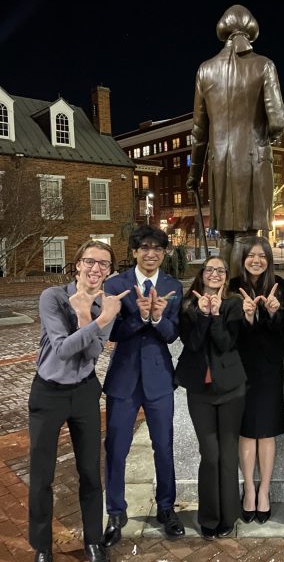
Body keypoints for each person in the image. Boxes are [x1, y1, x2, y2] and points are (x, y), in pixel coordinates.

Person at [28, 240, 129, 562]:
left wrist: (90, 315)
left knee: (89, 471)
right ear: (77, 264)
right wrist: (94, 320)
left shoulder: (108, 305)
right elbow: (61, 348)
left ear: (110, 271)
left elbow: (93, 353)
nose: (96, 269)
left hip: (84, 390)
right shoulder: (53, 297)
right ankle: (42, 547)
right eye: (90, 261)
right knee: (42, 474)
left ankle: (93, 541)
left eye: (103, 264)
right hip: (48, 390)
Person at [186, 4, 284, 277]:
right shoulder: (264, 66)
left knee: (226, 236)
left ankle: (224, 293)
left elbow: (199, 131)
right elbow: (278, 119)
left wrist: (194, 174)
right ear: (251, 32)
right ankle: (242, 296)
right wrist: (269, 137)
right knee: (246, 234)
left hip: (219, 164)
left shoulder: (205, 71)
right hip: (252, 161)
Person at [101, 225, 185, 547]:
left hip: (159, 377)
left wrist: (157, 320)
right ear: (134, 251)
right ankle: (116, 512)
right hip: (123, 378)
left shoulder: (173, 286)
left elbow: (172, 333)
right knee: (116, 448)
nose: (151, 253)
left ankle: (166, 508)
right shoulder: (116, 284)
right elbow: (111, 332)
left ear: (164, 253)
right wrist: (140, 317)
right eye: (145, 247)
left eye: (158, 248)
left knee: (163, 446)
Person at [175, 256, 246, 540]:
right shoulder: (188, 304)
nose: (214, 274)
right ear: (202, 274)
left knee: (228, 455)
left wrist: (216, 315)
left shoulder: (233, 304)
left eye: (220, 270)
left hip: (231, 389)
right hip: (200, 392)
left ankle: (229, 515)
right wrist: (203, 315)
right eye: (209, 269)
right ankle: (209, 516)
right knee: (210, 454)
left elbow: (227, 343)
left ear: (226, 276)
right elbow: (191, 344)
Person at [229, 236, 284, 524]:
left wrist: (275, 314)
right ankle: (249, 490)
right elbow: (227, 332)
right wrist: (248, 318)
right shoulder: (231, 288)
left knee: (266, 431)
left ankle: (264, 490)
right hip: (240, 368)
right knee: (246, 430)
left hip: (269, 368)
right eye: (251, 255)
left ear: (269, 259)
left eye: (262, 255)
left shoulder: (281, 285)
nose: (257, 260)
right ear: (243, 259)